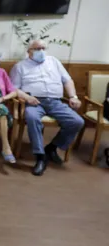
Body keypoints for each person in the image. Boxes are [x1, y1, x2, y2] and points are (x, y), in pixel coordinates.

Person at [10, 39, 84, 176]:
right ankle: (40, 156)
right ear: (29, 51)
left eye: (43, 48)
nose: (41, 51)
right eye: (37, 49)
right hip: (34, 101)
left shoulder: (54, 62)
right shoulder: (20, 66)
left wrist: (73, 96)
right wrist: (27, 98)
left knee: (77, 121)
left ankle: (52, 148)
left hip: (56, 101)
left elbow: (67, 80)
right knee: (32, 118)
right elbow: (13, 88)